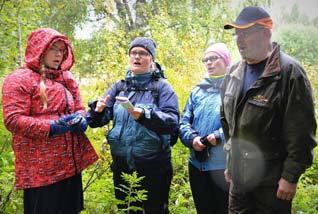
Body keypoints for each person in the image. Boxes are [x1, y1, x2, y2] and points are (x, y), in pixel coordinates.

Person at [220, 6, 317, 213]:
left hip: (271, 182)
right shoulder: (233, 72)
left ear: (265, 33)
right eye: (237, 33)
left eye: (245, 33)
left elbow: (301, 131)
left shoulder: (289, 72)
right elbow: (226, 120)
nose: (239, 39)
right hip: (239, 179)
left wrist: (290, 176)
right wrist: (230, 162)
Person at [2, 28, 98, 213]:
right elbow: (13, 119)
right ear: (39, 48)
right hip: (40, 170)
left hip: (70, 165)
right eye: (53, 48)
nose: (58, 54)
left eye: (62, 50)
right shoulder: (19, 79)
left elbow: (79, 108)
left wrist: (81, 119)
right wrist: (51, 127)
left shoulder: (66, 77)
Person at [87, 37, 179, 213]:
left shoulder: (162, 88)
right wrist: (97, 111)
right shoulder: (119, 87)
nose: (137, 57)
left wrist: (144, 115)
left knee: (155, 210)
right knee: (127, 209)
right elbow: (98, 121)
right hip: (121, 164)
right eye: (133, 53)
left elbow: (172, 122)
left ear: (152, 59)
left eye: (143, 53)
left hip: (154, 164)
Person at [179, 43, 230, 214]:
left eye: (214, 58)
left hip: (223, 166)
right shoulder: (197, 91)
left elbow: (242, 121)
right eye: (206, 59)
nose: (209, 63)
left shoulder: (234, 89)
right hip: (197, 164)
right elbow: (184, 121)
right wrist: (192, 138)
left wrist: (218, 136)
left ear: (226, 60)